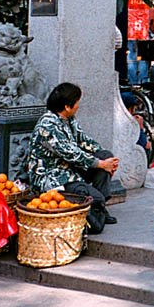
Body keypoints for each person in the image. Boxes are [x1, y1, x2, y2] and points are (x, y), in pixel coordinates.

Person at [26, 82, 119, 230]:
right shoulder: (48, 125)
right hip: (53, 177)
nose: (78, 106)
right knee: (94, 194)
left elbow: (84, 141)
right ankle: (95, 206)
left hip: (70, 169)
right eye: (76, 103)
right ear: (67, 106)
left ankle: (99, 208)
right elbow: (71, 153)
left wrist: (107, 162)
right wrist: (101, 164)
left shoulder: (69, 119)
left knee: (105, 155)